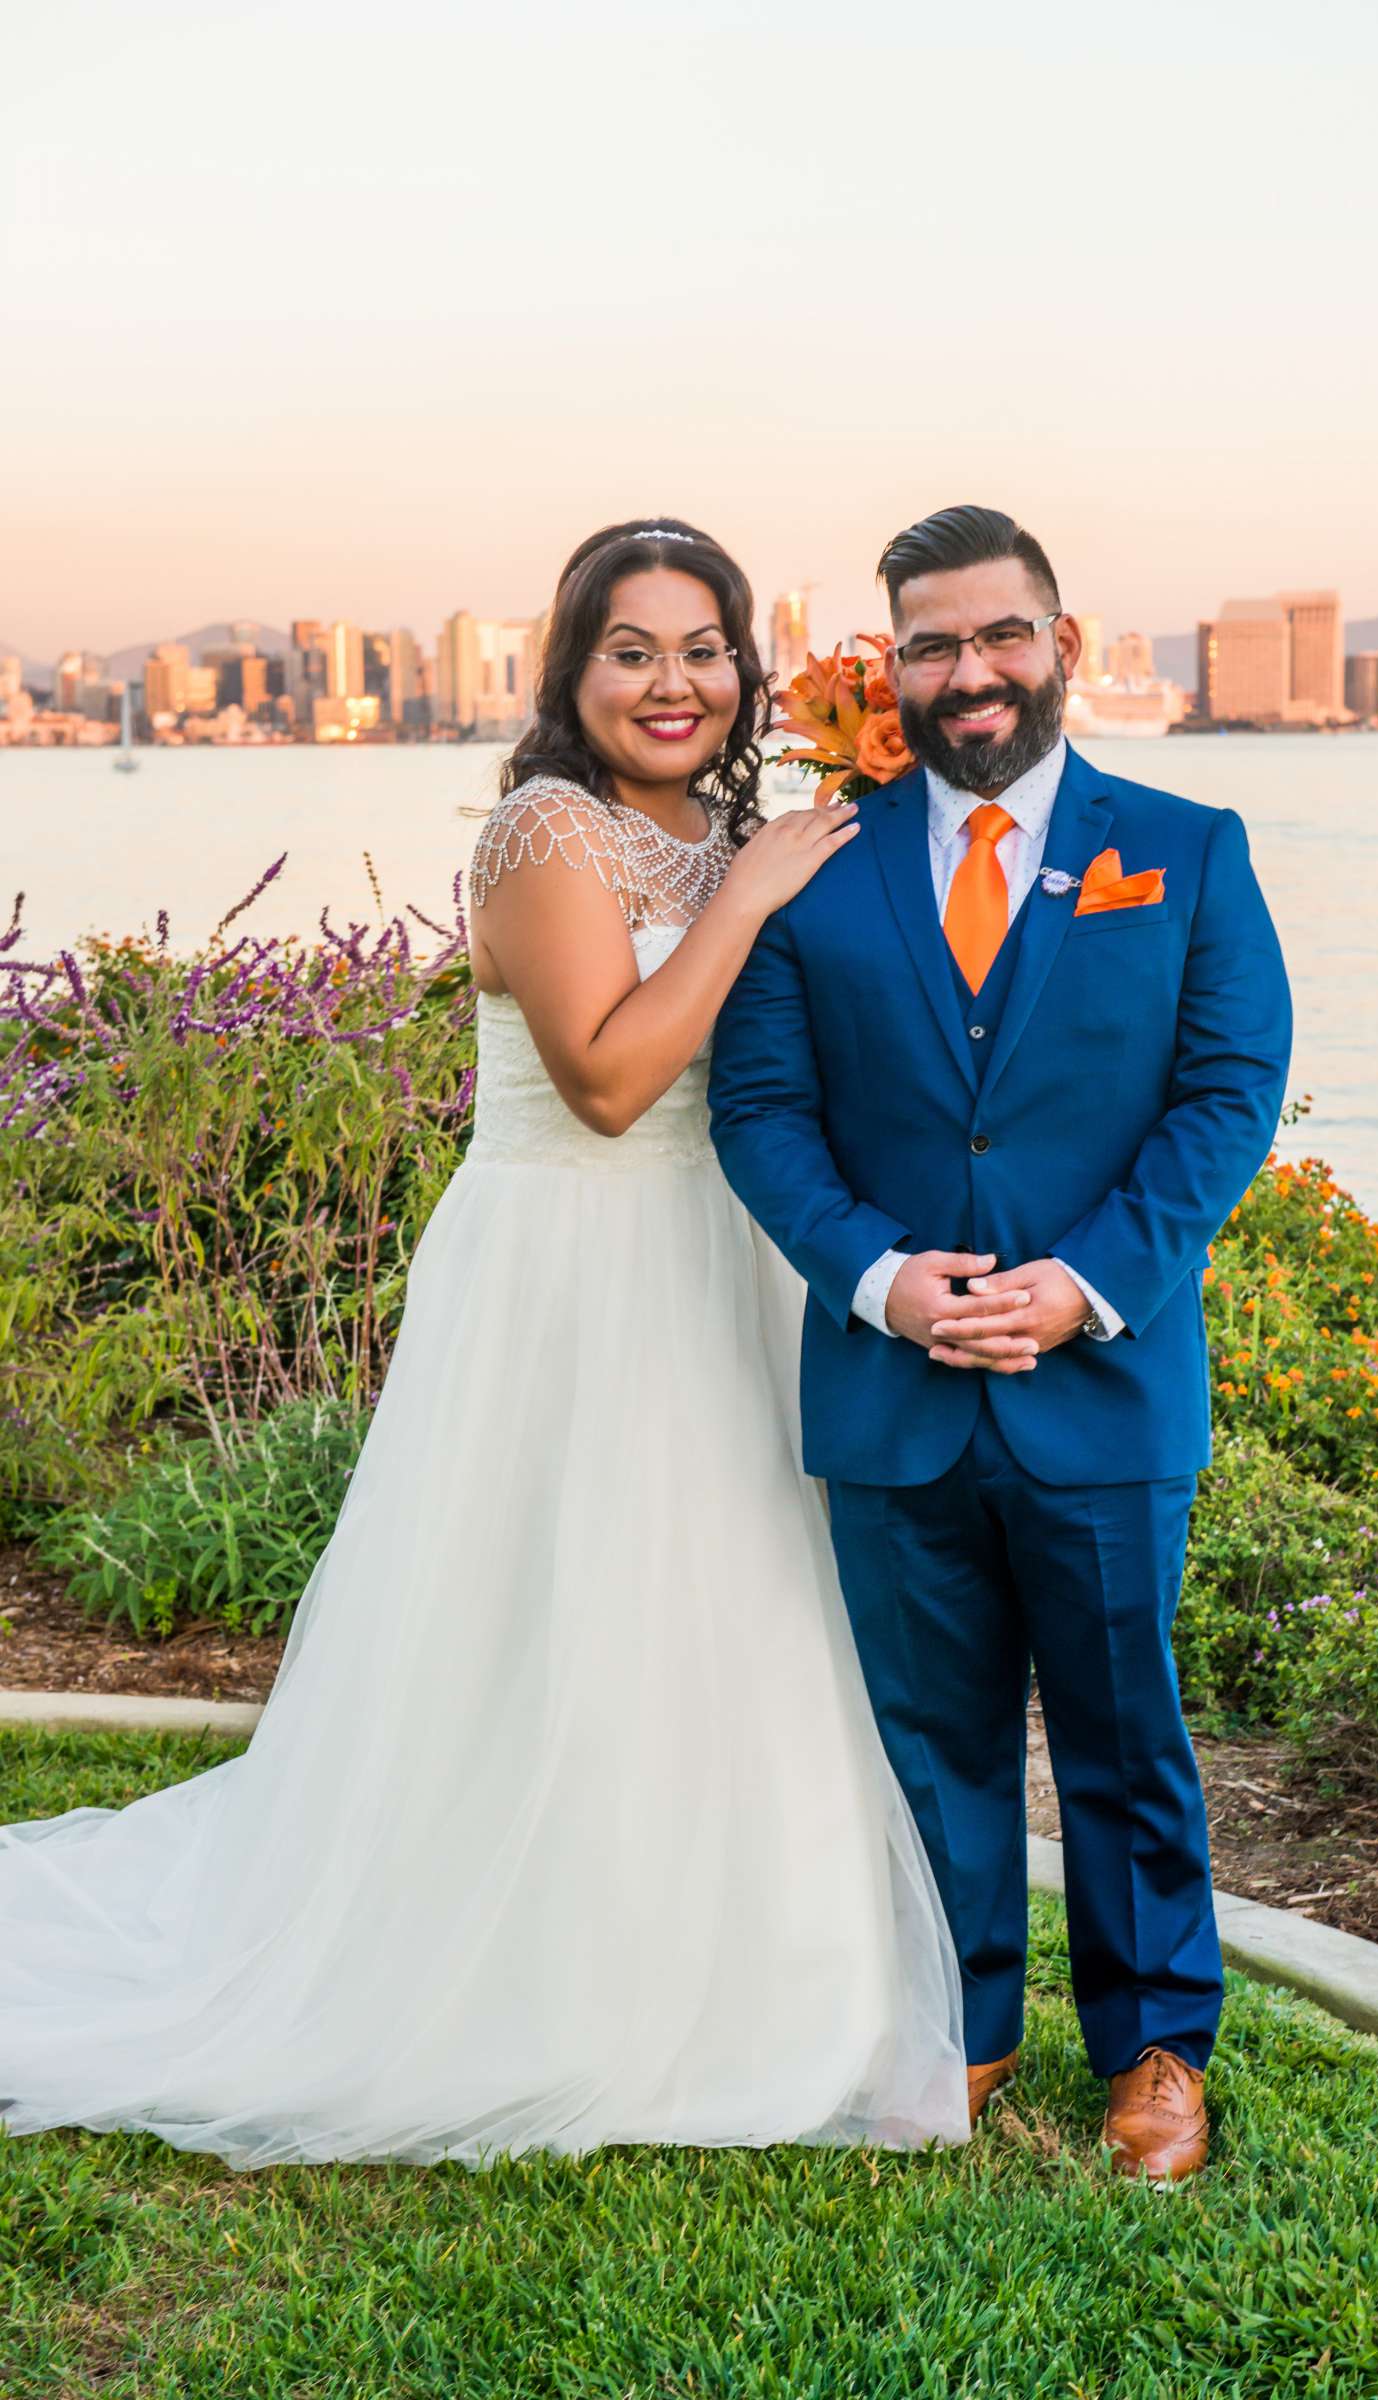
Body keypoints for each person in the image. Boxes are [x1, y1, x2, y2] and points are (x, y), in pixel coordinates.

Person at [0, 518, 968, 2168]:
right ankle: (541, 1973)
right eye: (632, 650)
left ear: (747, 665)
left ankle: (751, 1959)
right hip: (575, 1266)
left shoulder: (744, 822)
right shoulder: (546, 834)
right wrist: (750, 893)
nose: (674, 684)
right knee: (571, 1598)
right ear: (570, 669)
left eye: (704, 648)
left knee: (734, 1594)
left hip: (731, 1257)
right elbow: (604, 1082)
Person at [709, 504, 1294, 2184]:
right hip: (890, 1381)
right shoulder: (821, 869)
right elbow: (760, 1112)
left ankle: (1157, 2050)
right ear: (892, 666)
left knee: (1123, 1730)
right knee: (930, 1737)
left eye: (998, 635)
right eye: (932, 643)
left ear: (1058, 640)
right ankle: (956, 2027)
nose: (968, 673)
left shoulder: (1183, 849)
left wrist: (1087, 1282)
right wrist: (878, 1278)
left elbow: (1223, 1096)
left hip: (1101, 1380)